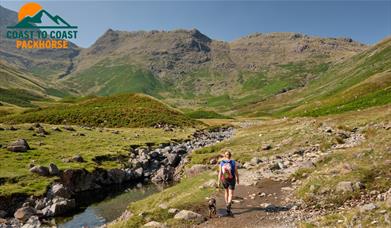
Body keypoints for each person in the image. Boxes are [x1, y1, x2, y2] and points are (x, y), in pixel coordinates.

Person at [218, 150, 239, 216]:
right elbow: (236, 171)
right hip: (231, 179)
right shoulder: (233, 162)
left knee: (226, 191)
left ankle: (227, 203)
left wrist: (218, 181)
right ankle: (229, 204)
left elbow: (220, 173)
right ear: (230, 156)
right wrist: (237, 178)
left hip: (224, 179)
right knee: (231, 194)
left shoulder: (221, 162)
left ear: (225, 156)